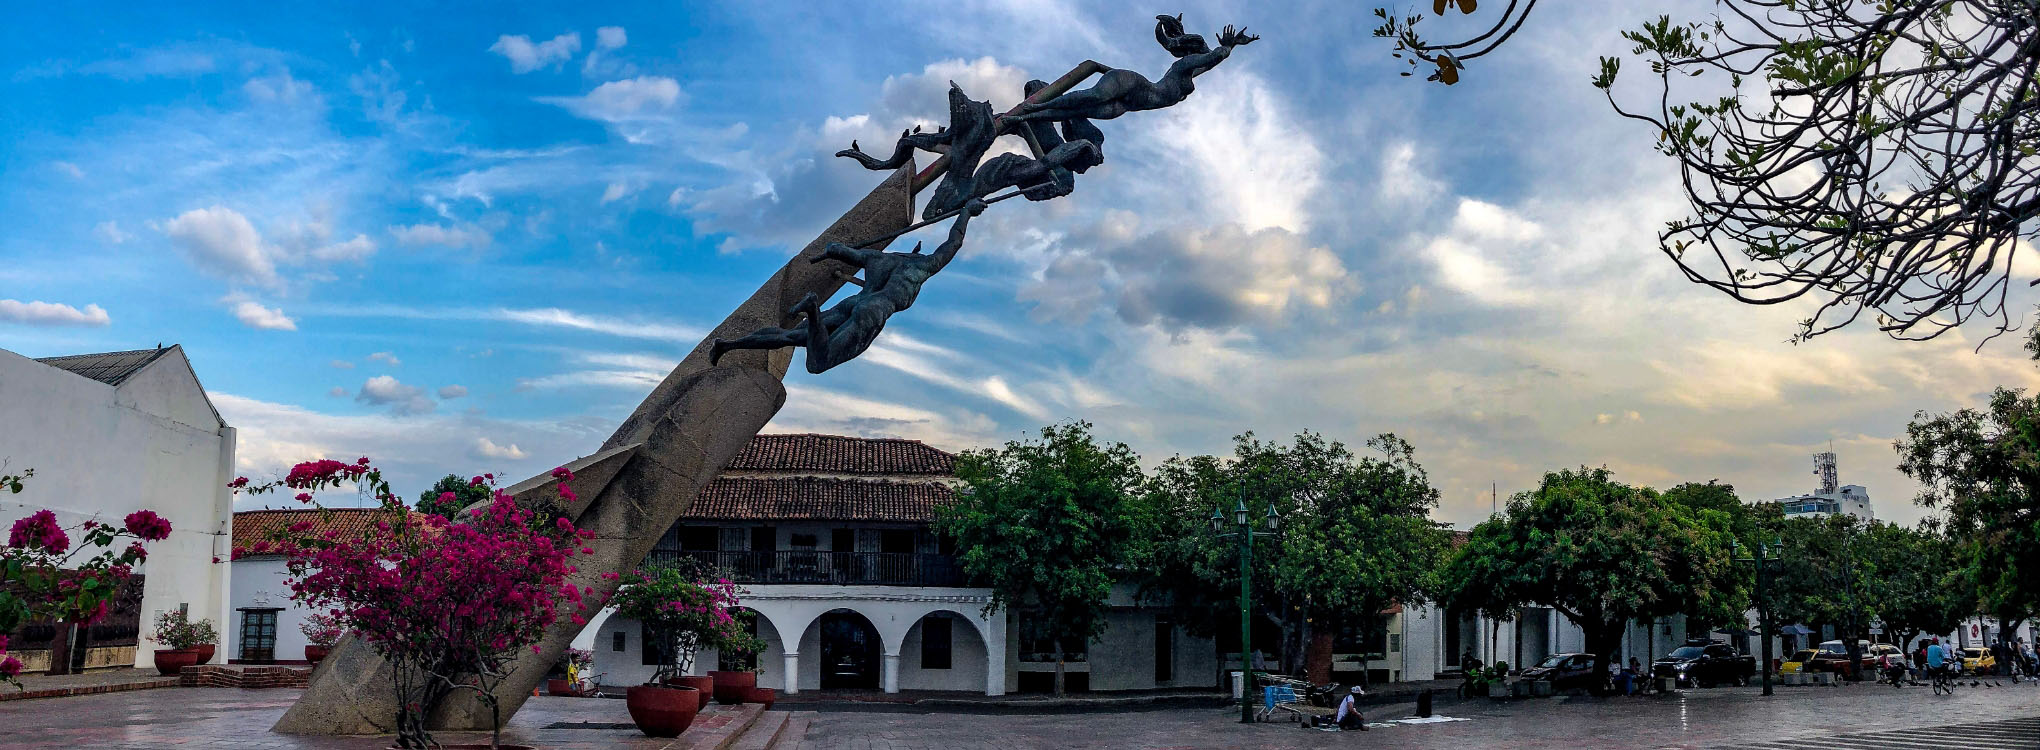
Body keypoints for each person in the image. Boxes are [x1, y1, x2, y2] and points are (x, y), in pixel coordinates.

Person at [710, 198, 986, 372]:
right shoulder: (924, 266)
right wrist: (966, 213)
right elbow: (954, 241)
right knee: (819, 363)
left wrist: (833, 248)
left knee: (788, 336)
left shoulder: (876, 258)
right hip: (875, 309)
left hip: (853, 302)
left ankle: (728, 345)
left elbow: (838, 250)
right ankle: (813, 311)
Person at [1006, 14, 1258, 125]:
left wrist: (1230, 48)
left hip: (1129, 104)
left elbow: (1212, 62)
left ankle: (1025, 116)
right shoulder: (1184, 66)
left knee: (1077, 111)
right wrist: (1228, 46)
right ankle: (1036, 105)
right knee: (1092, 96)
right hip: (1133, 84)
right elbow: (1214, 57)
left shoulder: (1191, 73)